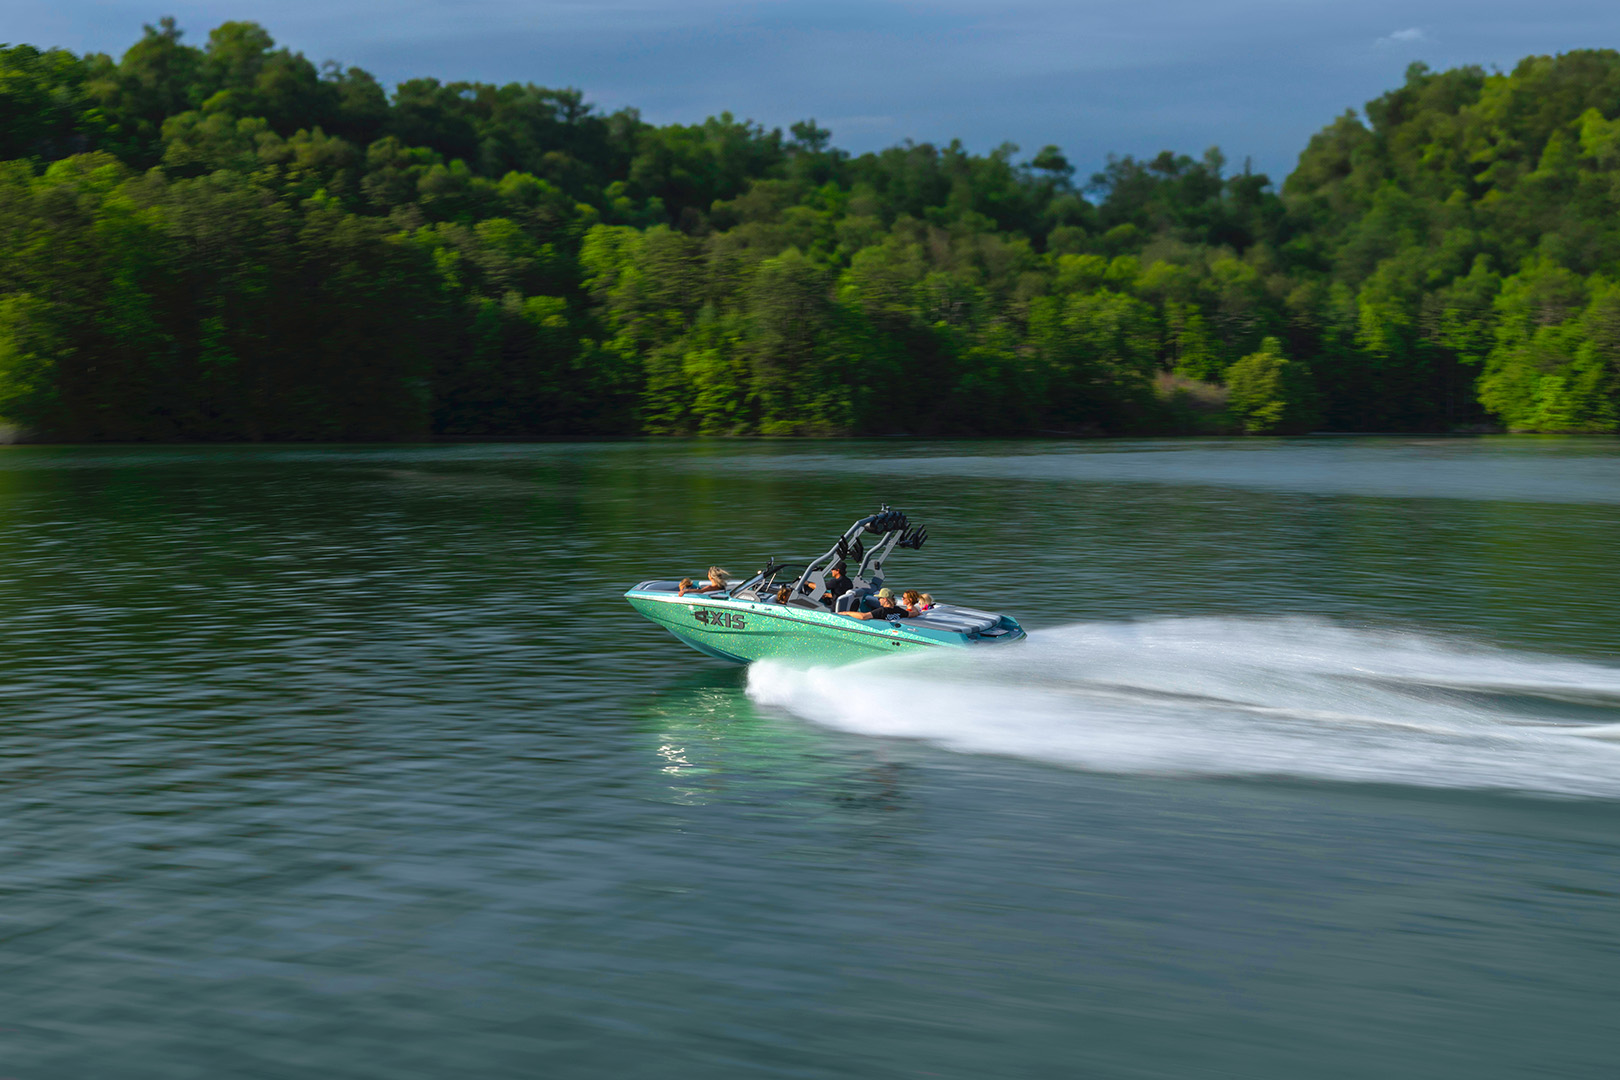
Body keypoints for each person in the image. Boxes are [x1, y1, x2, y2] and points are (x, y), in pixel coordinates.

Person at [842, 587, 913, 620]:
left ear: (885, 599)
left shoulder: (881, 611)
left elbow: (863, 616)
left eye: (879, 598)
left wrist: (847, 613)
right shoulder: (898, 610)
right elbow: (912, 614)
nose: (878, 600)